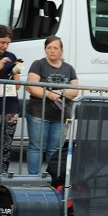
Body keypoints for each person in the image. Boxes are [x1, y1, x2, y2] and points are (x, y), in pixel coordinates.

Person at [24, 35, 79, 176]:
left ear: (61, 51)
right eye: (49, 48)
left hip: (60, 116)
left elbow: (75, 91)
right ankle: (34, 179)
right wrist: (49, 95)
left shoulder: (69, 68)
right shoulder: (38, 64)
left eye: (55, 48)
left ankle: (51, 179)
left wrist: (59, 92)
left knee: (55, 150)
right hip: (38, 113)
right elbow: (31, 87)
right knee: (36, 148)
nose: (52, 51)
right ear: (45, 50)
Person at [0, 25, 22, 175]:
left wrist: (16, 71)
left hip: (10, 105)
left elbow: (18, 85)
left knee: (7, 144)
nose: (5, 46)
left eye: (8, 43)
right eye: (2, 42)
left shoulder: (12, 56)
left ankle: (3, 174)